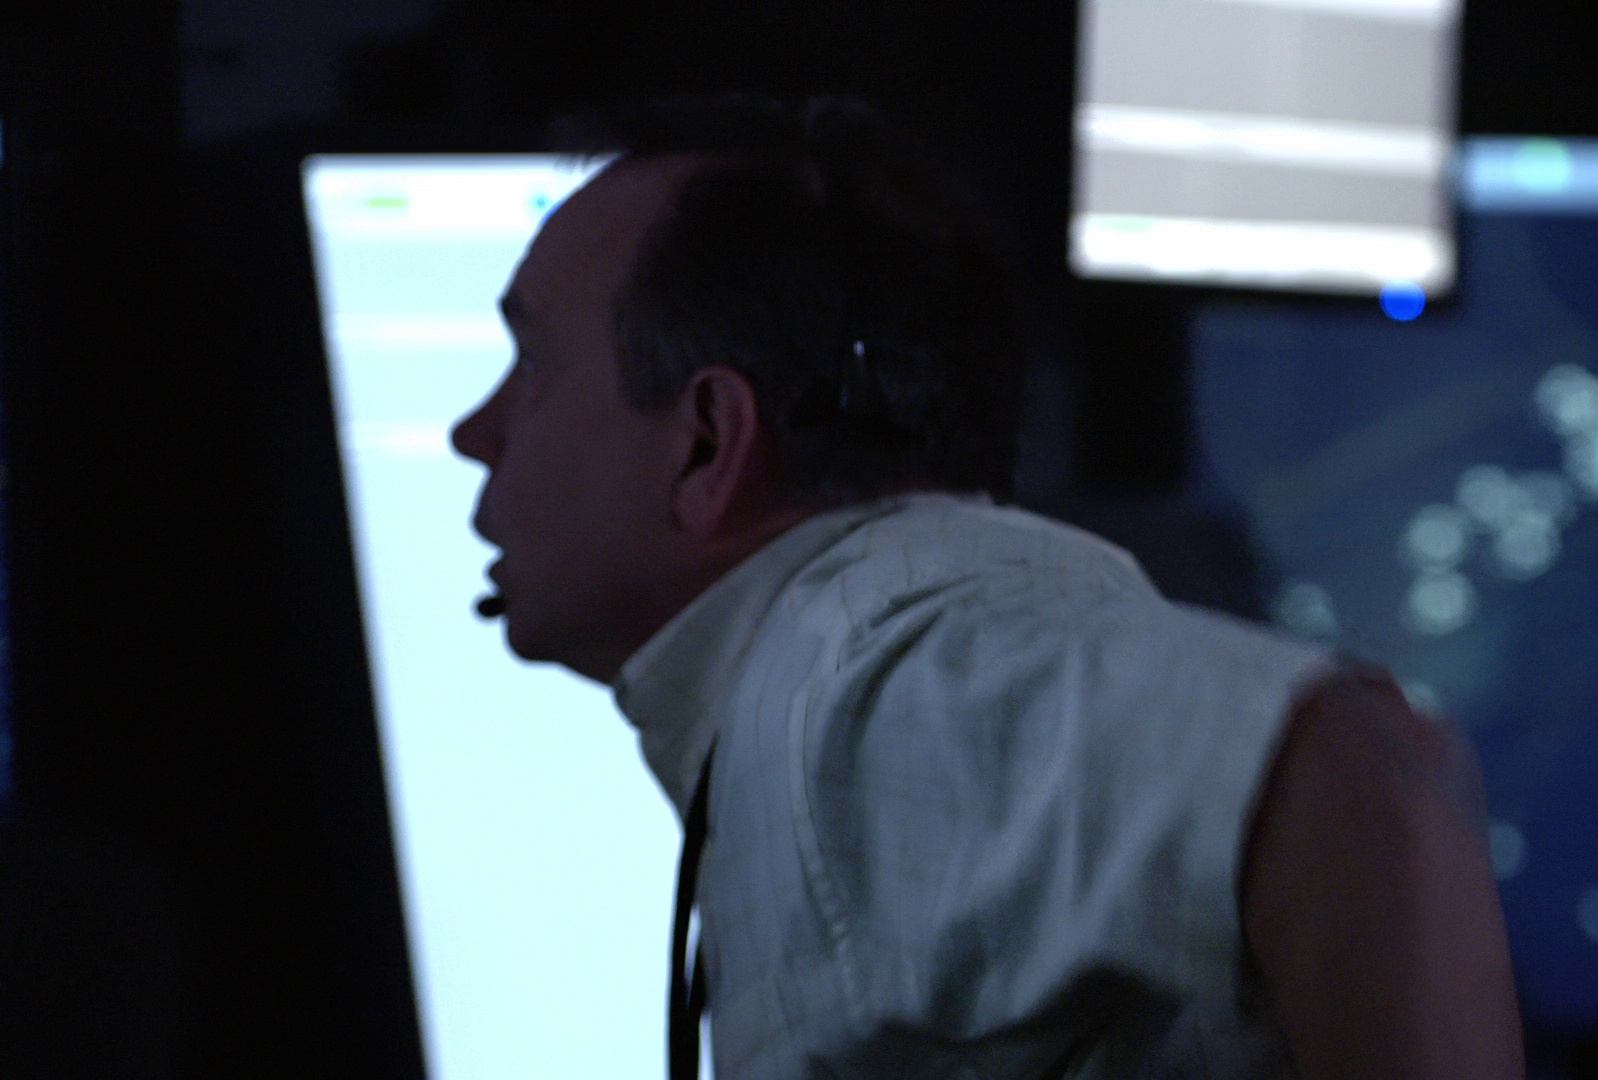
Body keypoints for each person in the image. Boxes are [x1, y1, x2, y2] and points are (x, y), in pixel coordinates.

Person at [450, 94, 1523, 1079]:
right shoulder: (849, 655)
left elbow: (1359, 768)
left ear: (707, 442)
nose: (474, 431)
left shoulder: (859, 679)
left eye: (532, 363)